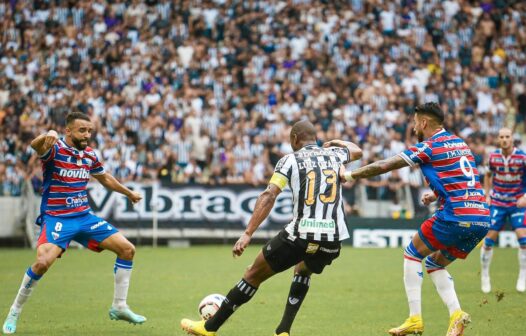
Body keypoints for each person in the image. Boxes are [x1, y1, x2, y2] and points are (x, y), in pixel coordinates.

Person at [180, 120, 362, 336]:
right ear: (316, 139)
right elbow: (357, 151)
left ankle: (209, 328)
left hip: (301, 233)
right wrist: (336, 142)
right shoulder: (335, 154)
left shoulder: (289, 160)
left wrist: (248, 233)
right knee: (303, 268)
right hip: (333, 239)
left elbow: (269, 195)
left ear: (294, 139)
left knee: (253, 274)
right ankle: (283, 330)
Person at [342, 102, 490, 336]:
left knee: (412, 253)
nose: (412, 127)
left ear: (423, 123)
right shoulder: (460, 143)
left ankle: (414, 319)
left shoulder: (428, 146)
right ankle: (456, 315)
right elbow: (464, 178)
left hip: (455, 216)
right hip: (481, 218)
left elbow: (385, 165)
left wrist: (349, 174)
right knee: (434, 263)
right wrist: (436, 193)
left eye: (414, 122)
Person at [2, 112, 146, 334]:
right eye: (82, 130)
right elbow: (35, 146)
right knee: (41, 263)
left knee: (127, 249)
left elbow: (105, 177)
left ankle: (119, 306)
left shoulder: (89, 154)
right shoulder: (55, 149)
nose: (87, 134)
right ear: (68, 131)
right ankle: (14, 311)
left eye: (89, 130)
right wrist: (48, 134)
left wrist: (128, 193)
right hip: (57, 218)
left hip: (84, 217)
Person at [480, 128, 526, 293]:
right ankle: (485, 275)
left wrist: (525, 196)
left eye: (507, 136)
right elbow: (487, 175)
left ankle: (523, 274)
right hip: (498, 202)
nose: (505, 139)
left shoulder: (522, 157)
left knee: (523, 239)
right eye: (502, 137)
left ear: (512, 138)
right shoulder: (493, 157)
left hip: (517, 203)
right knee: (489, 239)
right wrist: (487, 195)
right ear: (498, 140)